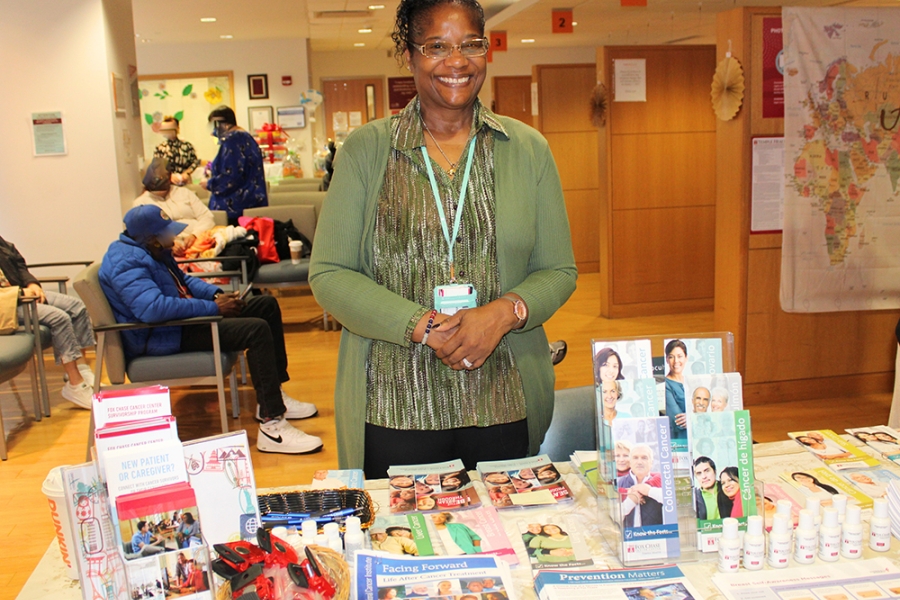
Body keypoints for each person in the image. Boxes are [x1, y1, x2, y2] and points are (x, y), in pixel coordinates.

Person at [308, 0, 576, 476]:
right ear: (409, 56)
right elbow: (330, 273)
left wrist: (502, 313)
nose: (457, 61)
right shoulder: (367, 151)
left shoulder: (528, 149)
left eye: (471, 45)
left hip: (505, 397)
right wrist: (424, 325)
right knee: (408, 545)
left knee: (507, 540)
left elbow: (558, 270)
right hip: (394, 405)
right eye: (437, 46)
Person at [98, 205, 321, 454]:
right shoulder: (126, 262)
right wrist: (213, 308)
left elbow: (184, 281)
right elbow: (152, 309)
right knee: (255, 330)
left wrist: (216, 295)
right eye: (167, 235)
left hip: (178, 324)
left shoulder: (152, 250)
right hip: (163, 336)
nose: (173, 239)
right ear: (152, 239)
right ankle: (272, 427)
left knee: (265, 305)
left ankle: (273, 396)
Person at [0, 235, 95, 408]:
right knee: (59, 317)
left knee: (77, 306)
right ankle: (75, 383)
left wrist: (31, 284)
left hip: (21, 294)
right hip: (5, 305)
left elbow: (18, 263)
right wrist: (19, 293)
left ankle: (81, 367)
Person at [134, 157, 217, 255]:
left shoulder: (185, 193)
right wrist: (169, 245)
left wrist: (194, 235)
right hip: (167, 250)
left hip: (198, 240)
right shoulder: (141, 203)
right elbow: (145, 234)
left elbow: (207, 217)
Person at [201, 106, 267, 222]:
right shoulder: (247, 138)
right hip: (251, 204)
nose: (213, 132)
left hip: (235, 209)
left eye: (214, 125)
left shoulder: (232, 141)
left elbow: (230, 177)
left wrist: (209, 184)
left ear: (224, 124)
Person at [617, 444, 663, 527]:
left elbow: (673, 503)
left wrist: (649, 491)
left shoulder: (661, 482)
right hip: (628, 538)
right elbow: (610, 518)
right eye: (635, 458)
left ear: (651, 462)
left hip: (657, 537)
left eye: (644, 458)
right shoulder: (618, 484)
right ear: (630, 463)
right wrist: (630, 501)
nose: (639, 462)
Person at [154, 116, 200, 185]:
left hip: (185, 182)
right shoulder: (160, 148)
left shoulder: (187, 146)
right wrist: (170, 176)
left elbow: (195, 162)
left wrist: (187, 173)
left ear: (177, 129)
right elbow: (157, 166)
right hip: (167, 184)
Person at [664, 340, 688, 440]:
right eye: (671, 357)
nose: (676, 361)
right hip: (680, 441)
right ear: (666, 360)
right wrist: (696, 417)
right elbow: (679, 421)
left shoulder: (690, 382)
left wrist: (691, 418)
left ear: (686, 358)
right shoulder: (665, 385)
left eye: (679, 356)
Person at [692, 456, 726, 520]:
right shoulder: (694, 498)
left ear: (715, 471)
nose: (704, 476)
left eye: (707, 471)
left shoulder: (727, 489)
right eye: (699, 473)